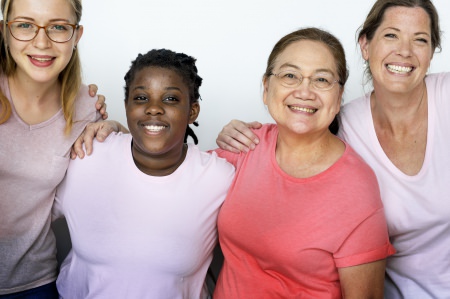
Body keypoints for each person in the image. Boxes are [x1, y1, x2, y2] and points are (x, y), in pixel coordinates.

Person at [216, 1, 450, 298]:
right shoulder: (345, 123)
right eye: (391, 35)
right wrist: (232, 135)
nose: (404, 50)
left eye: (420, 39)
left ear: (432, 53)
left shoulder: (446, 98)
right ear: (365, 45)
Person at [211, 27, 395, 299]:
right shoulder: (245, 145)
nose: (304, 91)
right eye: (290, 76)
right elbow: (167, 169)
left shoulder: (356, 189)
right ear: (266, 88)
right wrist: (122, 137)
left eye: (321, 80)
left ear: (338, 97)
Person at [52, 48, 235, 299]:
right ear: (126, 106)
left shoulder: (219, 178)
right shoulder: (87, 156)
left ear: (192, 111)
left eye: (170, 99)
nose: (154, 109)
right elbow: (28, 214)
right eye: (141, 98)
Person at [0, 0, 122, 297]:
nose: (41, 42)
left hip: (35, 282)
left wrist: (116, 129)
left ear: (77, 35)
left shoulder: (86, 107)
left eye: (58, 27)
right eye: (25, 25)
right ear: (5, 31)